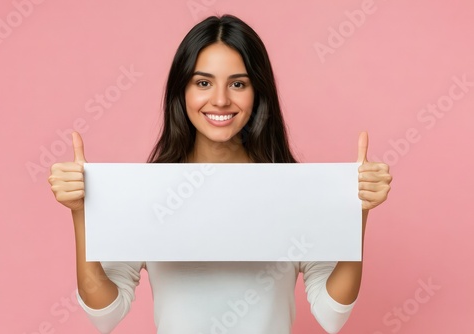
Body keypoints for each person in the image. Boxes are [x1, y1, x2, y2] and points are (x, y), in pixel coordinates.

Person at [48, 14, 392, 334]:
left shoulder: (292, 188)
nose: (221, 100)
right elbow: (105, 313)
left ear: (258, 94)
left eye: (238, 84)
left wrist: (356, 211)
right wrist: (82, 213)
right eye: (203, 82)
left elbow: (332, 314)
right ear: (181, 92)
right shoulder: (149, 190)